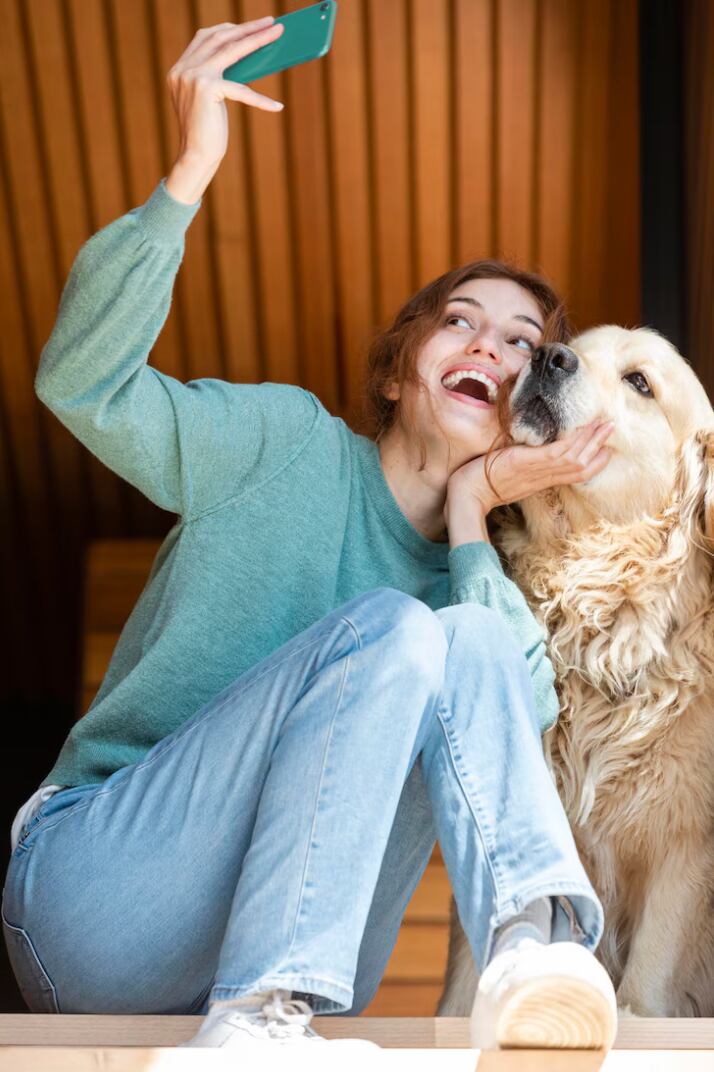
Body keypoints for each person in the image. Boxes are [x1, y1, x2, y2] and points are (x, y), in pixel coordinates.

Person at [2, 15, 618, 1056]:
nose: (494, 349)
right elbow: (84, 385)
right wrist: (188, 176)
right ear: (396, 370)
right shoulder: (283, 444)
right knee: (396, 631)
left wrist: (473, 513)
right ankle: (254, 1018)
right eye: (462, 321)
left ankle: (528, 952)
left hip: (312, 975)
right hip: (97, 896)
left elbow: (514, 720)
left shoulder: (479, 591)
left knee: (454, 643)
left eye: (524, 345)